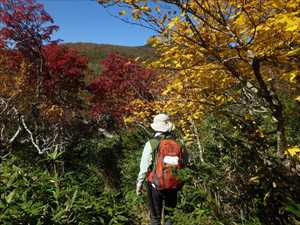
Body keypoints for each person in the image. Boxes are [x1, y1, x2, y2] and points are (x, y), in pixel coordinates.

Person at [136, 113, 183, 225]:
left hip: (154, 185)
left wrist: (139, 183)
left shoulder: (151, 143)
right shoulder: (178, 144)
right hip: (173, 185)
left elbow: (144, 167)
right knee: (169, 216)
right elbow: (184, 164)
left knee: (155, 218)